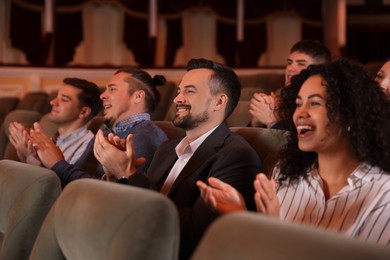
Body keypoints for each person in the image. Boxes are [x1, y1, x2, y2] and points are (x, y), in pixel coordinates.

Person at [197, 58, 390, 246]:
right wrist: (239, 213)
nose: (300, 113)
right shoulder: (285, 173)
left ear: (350, 114)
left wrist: (273, 228)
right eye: (298, 104)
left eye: (314, 103)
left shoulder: (383, 193)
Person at [93, 58, 262, 259]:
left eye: (189, 91)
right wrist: (115, 174)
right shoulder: (167, 149)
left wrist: (129, 174)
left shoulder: (236, 156)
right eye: (179, 91)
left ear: (219, 102)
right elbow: (137, 207)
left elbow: (193, 237)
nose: (177, 99)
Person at [22, 68, 168, 187]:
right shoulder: (108, 130)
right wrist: (38, 158)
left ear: (138, 97)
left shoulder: (144, 136)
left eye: (112, 89)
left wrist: (58, 164)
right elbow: (80, 173)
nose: (102, 95)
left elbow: (115, 194)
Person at [9, 77, 102, 166]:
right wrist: (24, 151)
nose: (53, 102)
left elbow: (59, 180)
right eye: (57, 97)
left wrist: (29, 157)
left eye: (64, 100)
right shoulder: (55, 138)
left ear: (83, 111)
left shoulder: (88, 146)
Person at [249, 39, 331, 130]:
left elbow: (298, 140)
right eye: (289, 63)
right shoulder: (280, 96)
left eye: (301, 64)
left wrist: (271, 121)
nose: (290, 68)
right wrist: (256, 122)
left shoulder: (323, 102)